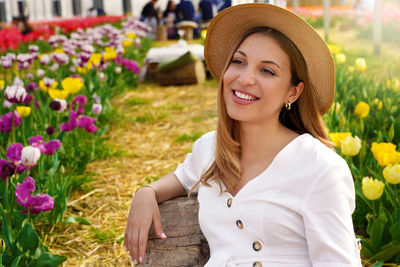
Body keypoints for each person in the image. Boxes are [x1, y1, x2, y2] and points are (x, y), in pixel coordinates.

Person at [125, 3, 363, 266]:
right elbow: (182, 177)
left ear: (293, 93)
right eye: (239, 62)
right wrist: (145, 192)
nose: (245, 78)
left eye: (267, 71)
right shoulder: (211, 149)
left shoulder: (319, 168)